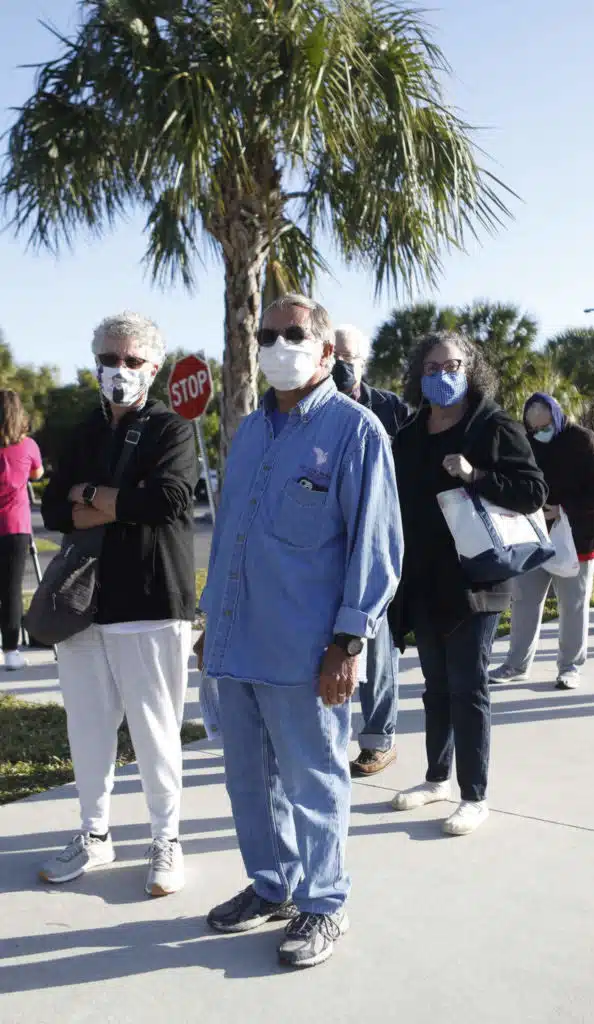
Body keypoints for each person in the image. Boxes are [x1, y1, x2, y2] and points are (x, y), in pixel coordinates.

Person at [197, 295, 402, 969]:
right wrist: (210, 622)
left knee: (314, 782)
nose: (277, 346)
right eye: (266, 335)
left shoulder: (355, 431)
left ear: (326, 350)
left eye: (292, 334)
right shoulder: (250, 431)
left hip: (307, 650)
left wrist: (349, 642)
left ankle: (323, 902)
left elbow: (376, 548)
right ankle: (272, 885)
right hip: (238, 641)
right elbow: (228, 535)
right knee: (249, 781)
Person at [39, 313, 197, 897]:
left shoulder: (171, 430)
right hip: (83, 605)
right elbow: (54, 509)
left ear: (153, 367)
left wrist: (92, 497)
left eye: (131, 360)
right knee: (87, 728)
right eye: (109, 359)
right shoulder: (82, 431)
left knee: (156, 731)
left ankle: (166, 839)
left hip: (150, 600)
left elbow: (167, 502)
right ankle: (94, 832)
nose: (119, 370)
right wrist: (113, 501)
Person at [389, 333, 547, 836]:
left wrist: (475, 474)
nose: (442, 375)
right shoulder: (409, 434)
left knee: (468, 685)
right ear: (419, 374)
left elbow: (533, 492)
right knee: (435, 686)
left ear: (471, 369)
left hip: (475, 581)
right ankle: (436, 778)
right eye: (432, 368)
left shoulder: (494, 427)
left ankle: (474, 795)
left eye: (452, 365)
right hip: (422, 579)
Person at [490, 393, 594, 689]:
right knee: (524, 601)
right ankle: (516, 664)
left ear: (557, 417)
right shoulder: (528, 442)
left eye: (544, 427)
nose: (538, 433)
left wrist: (564, 509)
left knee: (573, 605)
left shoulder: (583, 440)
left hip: (577, 536)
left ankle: (570, 666)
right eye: (533, 429)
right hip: (534, 535)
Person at [332, 324, 411, 776]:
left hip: (377, 543)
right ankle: (330, 738)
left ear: (362, 361)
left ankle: (379, 739)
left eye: (348, 357)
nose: (341, 364)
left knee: (378, 648)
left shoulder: (391, 409)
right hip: (329, 545)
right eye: (334, 355)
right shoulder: (313, 407)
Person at [0, 390, 44, 670]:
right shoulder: (28, 446)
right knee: (11, 590)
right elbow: (37, 474)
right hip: (15, 525)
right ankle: (11, 652)